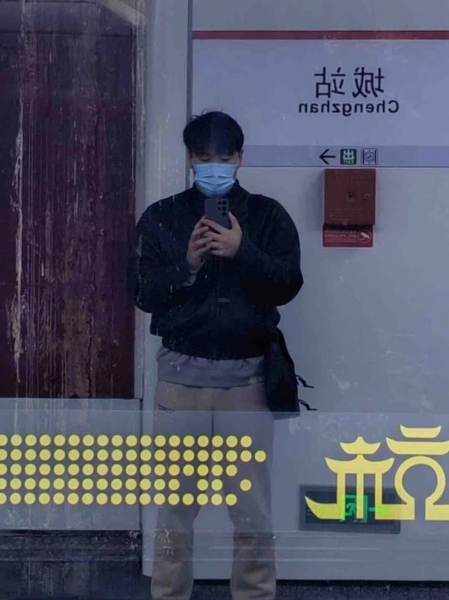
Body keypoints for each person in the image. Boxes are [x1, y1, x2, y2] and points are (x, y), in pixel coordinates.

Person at [129, 111, 303, 600]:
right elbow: (141, 292)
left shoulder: (267, 216)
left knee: (251, 510)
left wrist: (242, 251)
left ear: (240, 158)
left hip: (247, 386)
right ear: (190, 158)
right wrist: (187, 263)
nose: (214, 168)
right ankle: (169, 594)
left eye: (223, 158)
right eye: (204, 158)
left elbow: (289, 284)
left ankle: (255, 594)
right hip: (179, 386)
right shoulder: (162, 216)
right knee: (174, 509)